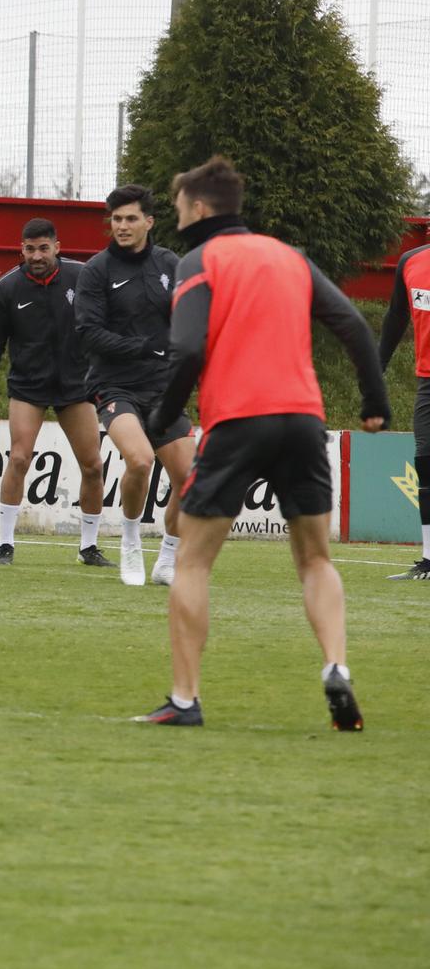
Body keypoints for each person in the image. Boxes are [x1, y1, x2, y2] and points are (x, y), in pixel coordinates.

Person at [136, 156, 388, 730]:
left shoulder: (199, 261)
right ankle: (336, 666)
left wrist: (164, 417)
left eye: (178, 208)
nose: (177, 217)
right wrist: (375, 403)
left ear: (199, 208)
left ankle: (184, 699)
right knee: (316, 558)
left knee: (193, 562)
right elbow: (351, 323)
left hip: (237, 421)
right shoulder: (289, 257)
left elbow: (188, 350)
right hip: (302, 419)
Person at [0, 218, 110, 568]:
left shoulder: (81, 278)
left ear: (57, 248)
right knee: (19, 458)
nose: (37, 255)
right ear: (22, 250)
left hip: (75, 387)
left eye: (43, 248)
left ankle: (88, 547)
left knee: (93, 466)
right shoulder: (8, 287)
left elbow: (104, 324)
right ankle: (4, 545)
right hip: (28, 387)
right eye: (30, 249)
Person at [76, 184, 195, 587]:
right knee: (140, 460)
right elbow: (89, 333)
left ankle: (167, 559)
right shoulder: (96, 270)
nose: (122, 226)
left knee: (190, 479)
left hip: (163, 389)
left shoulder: (169, 264)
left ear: (149, 221)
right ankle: (129, 542)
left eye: (130, 218)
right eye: (116, 219)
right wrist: (145, 347)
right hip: (115, 386)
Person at [378, 234, 430, 580]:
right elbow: (396, 317)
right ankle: (429, 558)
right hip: (428, 383)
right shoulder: (411, 262)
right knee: (425, 462)